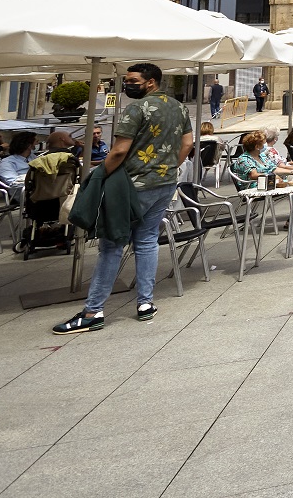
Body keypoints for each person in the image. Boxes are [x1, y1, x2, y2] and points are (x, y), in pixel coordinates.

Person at [54, 62, 193, 333]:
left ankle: (93, 311)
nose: (128, 85)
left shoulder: (137, 108)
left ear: (150, 82)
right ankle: (145, 303)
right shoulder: (179, 107)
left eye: (132, 81)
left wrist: (99, 175)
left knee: (112, 244)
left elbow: (118, 151)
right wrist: (168, 167)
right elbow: (187, 144)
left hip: (132, 185)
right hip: (164, 183)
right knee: (147, 241)